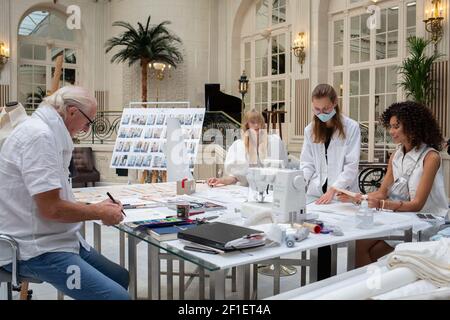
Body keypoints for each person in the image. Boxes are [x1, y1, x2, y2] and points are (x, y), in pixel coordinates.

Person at [0, 86, 130, 300]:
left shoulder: (46, 132)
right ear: (71, 112)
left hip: (55, 238)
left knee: (120, 278)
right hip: (35, 249)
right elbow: (52, 209)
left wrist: (95, 208)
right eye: (88, 123)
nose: (86, 130)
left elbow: (53, 198)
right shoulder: (39, 137)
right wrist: (98, 211)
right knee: (117, 297)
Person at [338, 101, 449, 268]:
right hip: (402, 218)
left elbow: (417, 204)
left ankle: (370, 289)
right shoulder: (396, 156)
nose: (391, 132)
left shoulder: (431, 157)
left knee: (363, 248)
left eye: (396, 126)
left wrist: (382, 204)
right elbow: (382, 192)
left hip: (426, 223)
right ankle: (372, 289)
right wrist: (358, 198)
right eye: (390, 127)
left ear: (412, 126)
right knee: (360, 245)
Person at [300, 84, 361, 280]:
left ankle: (339, 285)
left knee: (338, 238)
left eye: (325, 109)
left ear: (335, 103)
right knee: (319, 239)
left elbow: (351, 166)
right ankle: (320, 284)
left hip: (342, 195)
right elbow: (307, 163)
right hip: (317, 194)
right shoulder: (310, 130)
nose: (321, 113)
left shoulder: (351, 127)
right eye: (317, 110)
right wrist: (299, 184)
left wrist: (334, 190)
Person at [207, 109, 288, 187]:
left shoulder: (274, 141)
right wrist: (220, 181)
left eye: (259, 122)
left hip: (272, 191)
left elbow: (283, 170)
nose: (256, 125)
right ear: (247, 125)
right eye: (253, 122)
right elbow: (235, 177)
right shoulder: (238, 146)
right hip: (247, 192)